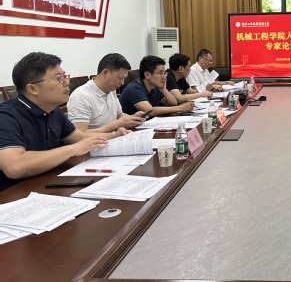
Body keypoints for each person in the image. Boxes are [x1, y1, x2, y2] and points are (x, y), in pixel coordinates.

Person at [0, 52, 126, 191]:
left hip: (48, 182)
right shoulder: (6, 116)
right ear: (32, 89)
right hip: (13, 193)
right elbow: (15, 166)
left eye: (65, 76)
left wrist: (115, 135)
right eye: (59, 79)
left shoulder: (53, 111)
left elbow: (80, 137)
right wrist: (73, 149)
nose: (67, 82)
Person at [67, 53, 146, 132]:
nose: (122, 83)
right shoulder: (81, 97)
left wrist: (132, 118)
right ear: (105, 73)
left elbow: (119, 115)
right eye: (120, 78)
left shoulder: (111, 90)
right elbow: (80, 134)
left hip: (113, 138)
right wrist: (115, 125)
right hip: (100, 140)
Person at [119, 55, 194, 116]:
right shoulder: (134, 89)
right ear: (147, 75)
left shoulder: (154, 87)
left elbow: (173, 103)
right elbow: (150, 111)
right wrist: (179, 108)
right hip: (130, 128)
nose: (164, 77)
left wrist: (164, 90)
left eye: (164, 73)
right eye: (160, 73)